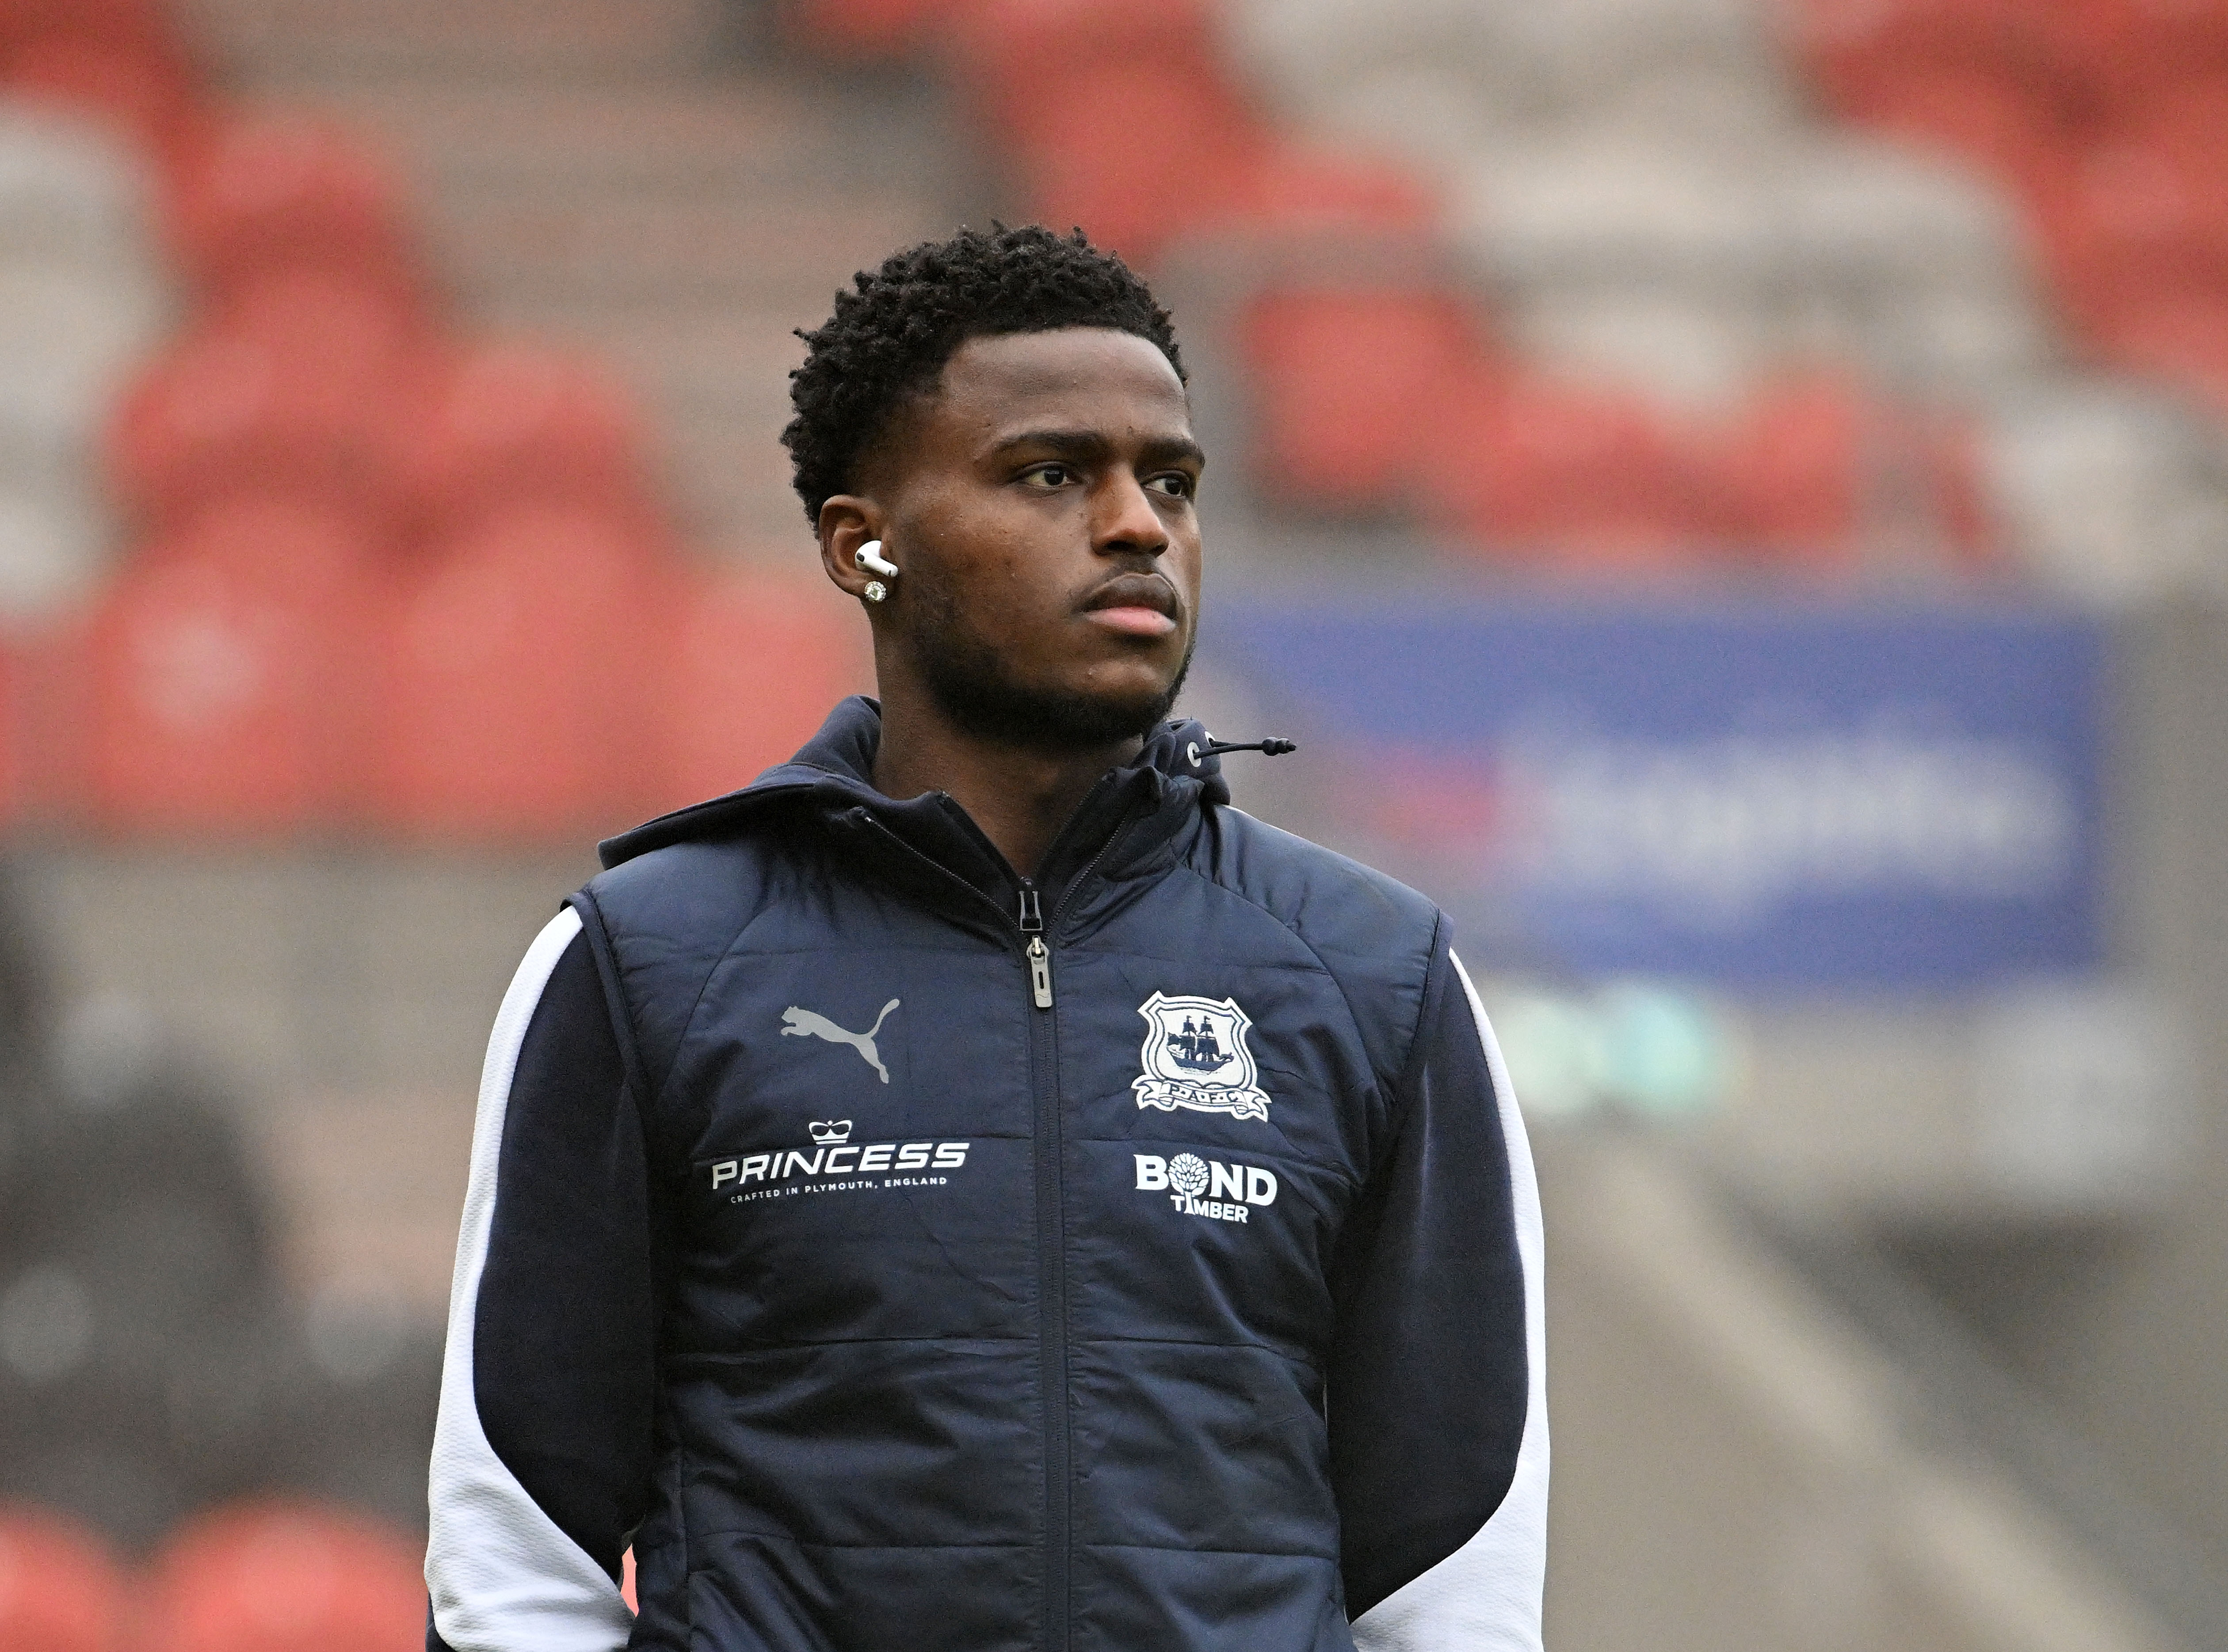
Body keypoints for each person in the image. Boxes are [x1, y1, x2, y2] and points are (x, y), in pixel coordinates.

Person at [423, 225, 1546, 1652]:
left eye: (1172, 480)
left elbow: (1453, 1587)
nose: (1138, 524)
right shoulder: (648, 963)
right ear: (865, 545)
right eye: (1052, 474)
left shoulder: (1376, 973)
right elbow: (514, 1560)